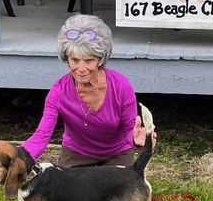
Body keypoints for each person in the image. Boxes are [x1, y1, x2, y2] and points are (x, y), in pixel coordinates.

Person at [21, 14, 148, 168]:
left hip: (117, 152)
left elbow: (129, 129)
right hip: (77, 151)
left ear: (100, 60)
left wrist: (136, 140)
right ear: (67, 59)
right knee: (67, 191)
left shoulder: (121, 85)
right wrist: (18, 158)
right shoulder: (58, 91)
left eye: (89, 60)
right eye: (75, 60)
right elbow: (41, 136)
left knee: (112, 191)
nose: (81, 69)